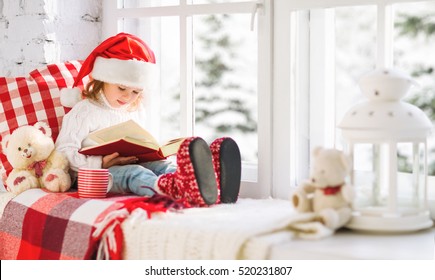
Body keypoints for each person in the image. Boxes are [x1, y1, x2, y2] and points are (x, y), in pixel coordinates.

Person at [55, 33, 241, 207]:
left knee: (163, 166)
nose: (128, 97)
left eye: (136, 92)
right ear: (103, 80)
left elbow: (140, 141)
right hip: (90, 175)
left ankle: (212, 184)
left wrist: (152, 151)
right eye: (122, 88)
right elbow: (63, 153)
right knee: (135, 174)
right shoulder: (84, 111)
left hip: (128, 162)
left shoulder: (135, 111)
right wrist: (101, 163)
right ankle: (177, 191)